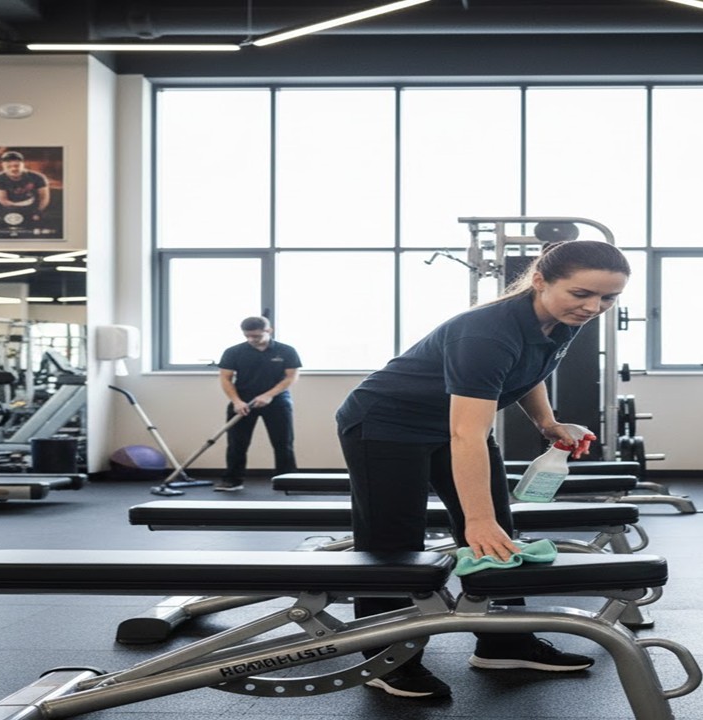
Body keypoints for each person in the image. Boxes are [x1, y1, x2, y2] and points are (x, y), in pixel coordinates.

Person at [335, 239, 629, 699]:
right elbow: (467, 436)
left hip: (450, 426)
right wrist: (475, 519)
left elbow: (530, 371)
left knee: (500, 534)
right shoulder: (486, 333)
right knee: (392, 542)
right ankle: (385, 658)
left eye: (608, 298)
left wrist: (547, 424)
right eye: (581, 294)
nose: (594, 307)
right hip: (384, 424)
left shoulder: (562, 320)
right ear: (540, 281)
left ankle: (504, 640)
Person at [216, 316, 302, 492]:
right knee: (236, 443)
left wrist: (269, 395)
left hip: (277, 400)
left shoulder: (286, 351)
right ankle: (232, 480)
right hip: (243, 402)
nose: (251, 340)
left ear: (268, 331)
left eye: (255, 336)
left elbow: (291, 377)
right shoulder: (233, 352)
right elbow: (225, 378)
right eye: (247, 336)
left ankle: (288, 481)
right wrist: (236, 401)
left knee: (283, 443)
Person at [0, 150, 52, 226]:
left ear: (23, 164)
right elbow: (3, 201)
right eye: (9, 166)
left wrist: (38, 211)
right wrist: (22, 204)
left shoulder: (38, 177)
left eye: (16, 166)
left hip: (34, 208)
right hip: (10, 209)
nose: (13, 169)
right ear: (3, 166)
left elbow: (44, 198)